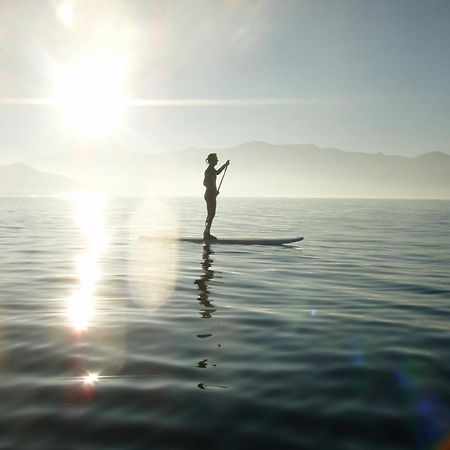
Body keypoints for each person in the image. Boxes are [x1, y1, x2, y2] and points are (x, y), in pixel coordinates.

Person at [203, 153, 230, 241]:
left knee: (211, 214)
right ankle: (206, 234)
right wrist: (213, 191)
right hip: (210, 195)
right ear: (212, 160)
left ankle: (207, 233)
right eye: (216, 159)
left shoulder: (211, 169)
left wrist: (225, 165)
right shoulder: (209, 170)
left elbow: (217, 172)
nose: (217, 160)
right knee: (211, 214)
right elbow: (205, 183)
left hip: (210, 194)